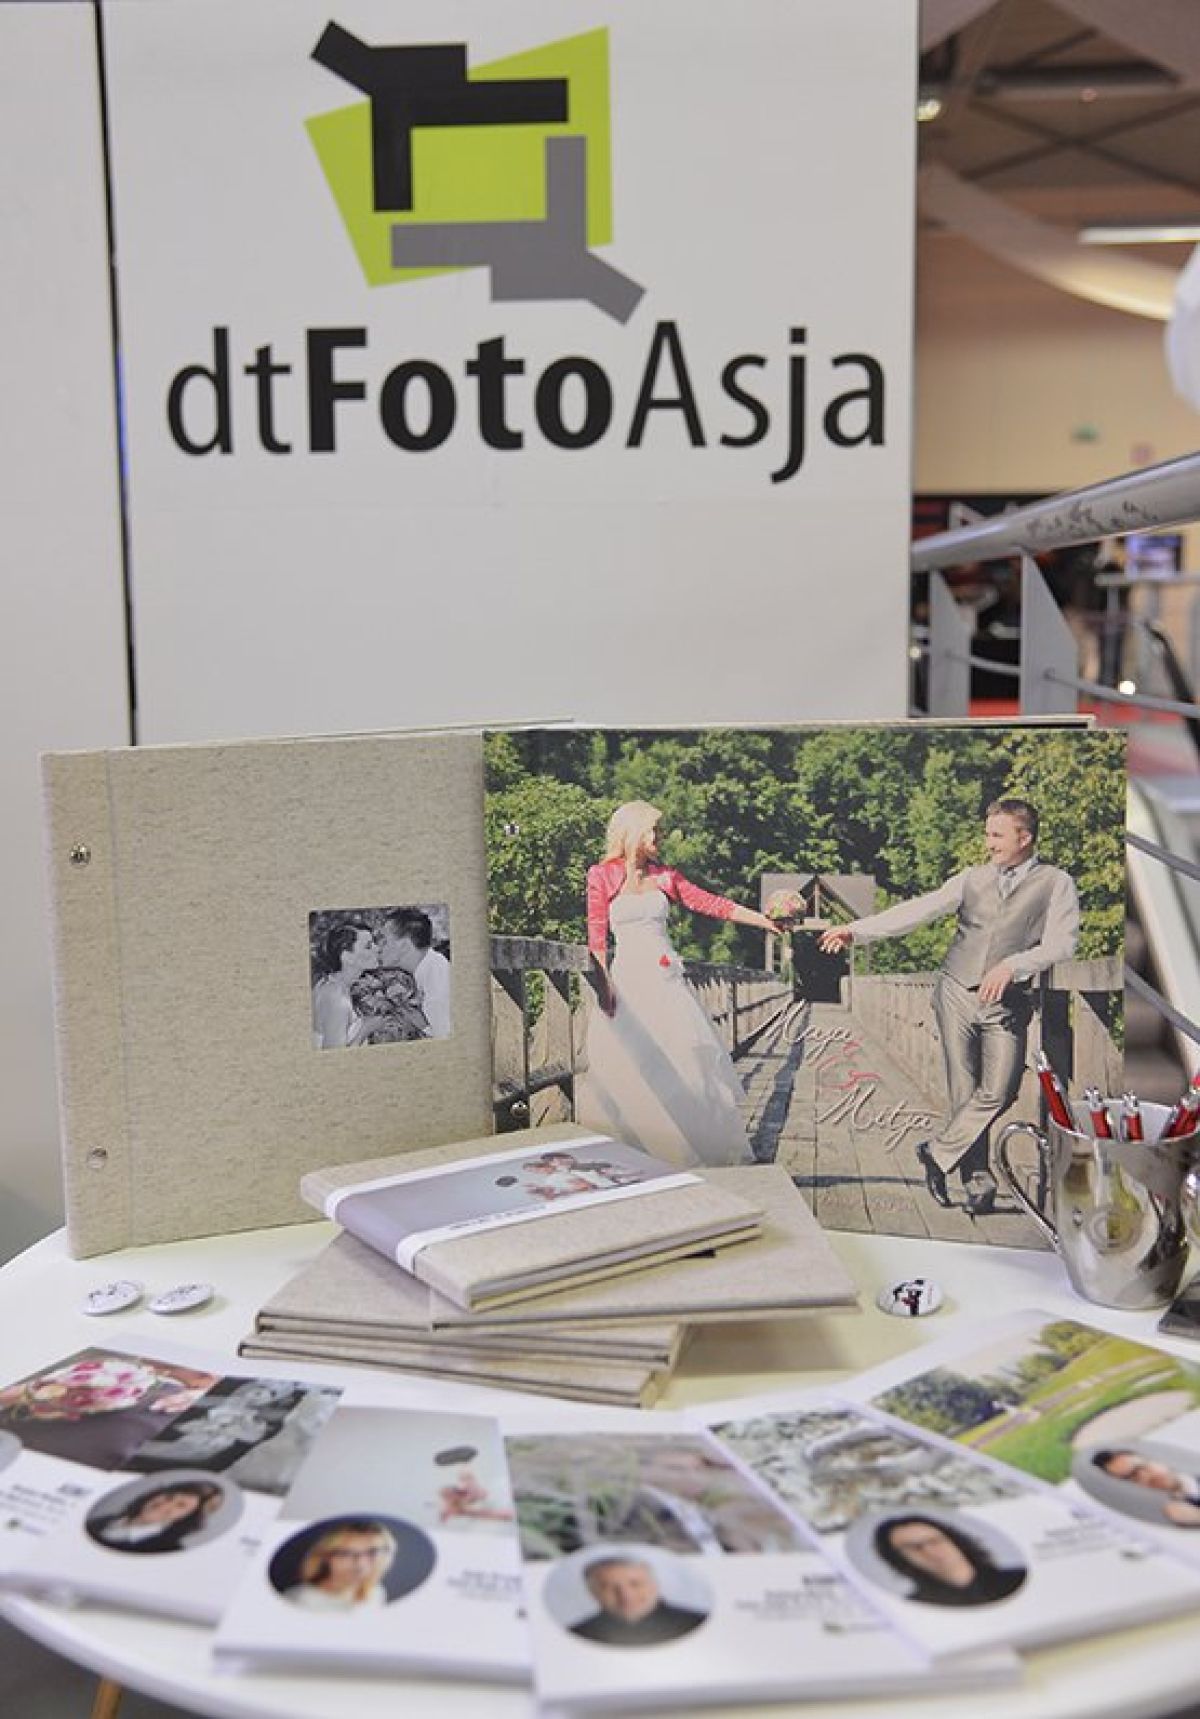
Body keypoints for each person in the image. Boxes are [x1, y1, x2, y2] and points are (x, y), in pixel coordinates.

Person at [819, 797, 1078, 1216]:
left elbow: (1063, 944)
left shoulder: (1056, 883)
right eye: (987, 834)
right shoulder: (970, 879)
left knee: (1001, 1089)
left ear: (1025, 838)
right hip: (955, 990)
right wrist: (855, 930)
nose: (988, 843)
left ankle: (936, 1154)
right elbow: (918, 911)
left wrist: (1013, 965)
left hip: (1005, 1002)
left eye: (997, 835)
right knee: (964, 1091)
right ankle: (978, 1185)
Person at [578, 801, 780, 1167]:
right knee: (630, 1065)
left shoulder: (666, 877)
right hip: (627, 985)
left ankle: (685, 1153)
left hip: (665, 981)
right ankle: (635, 1155)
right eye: (654, 830)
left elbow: (713, 904)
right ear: (633, 831)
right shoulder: (601, 875)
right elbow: (596, 939)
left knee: (684, 1061)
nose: (660, 836)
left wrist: (764, 921)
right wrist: (604, 987)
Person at [873, 1513, 1026, 1607]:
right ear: (897, 1558)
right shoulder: (916, 1606)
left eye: (934, 1541)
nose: (929, 1551)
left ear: (956, 1542)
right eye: (913, 1547)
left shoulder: (1018, 1579)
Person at [570, 1554, 707, 1645]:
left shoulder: (698, 1623)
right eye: (610, 1587)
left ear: (654, 1585)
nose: (626, 1595)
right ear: (593, 1593)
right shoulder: (576, 1635)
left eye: (635, 1584)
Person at [283, 1520, 398, 1610]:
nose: (360, 1563)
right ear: (325, 1557)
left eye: (372, 1552)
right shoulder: (300, 1599)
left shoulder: (376, 1593)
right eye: (346, 1553)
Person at [88, 1480, 223, 1555]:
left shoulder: (167, 1552)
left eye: (181, 1505)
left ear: (187, 1518)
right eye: (169, 1497)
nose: (165, 1505)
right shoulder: (101, 1520)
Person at [376, 909, 452, 1039]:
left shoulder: (435, 980)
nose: (378, 947)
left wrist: (423, 1027)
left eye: (384, 941)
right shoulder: (432, 967)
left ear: (404, 946)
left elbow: (447, 1038)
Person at [311, 921, 380, 1049]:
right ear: (347, 957)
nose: (377, 949)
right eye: (368, 946)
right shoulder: (336, 999)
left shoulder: (332, 983)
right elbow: (334, 1057)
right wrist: (366, 1029)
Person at [1090, 1449, 1200, 1526]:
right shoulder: (1180, 1513)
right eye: (1132, 1477)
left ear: (1156, 1460)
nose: (1145, 1478)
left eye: (1141, 1467)